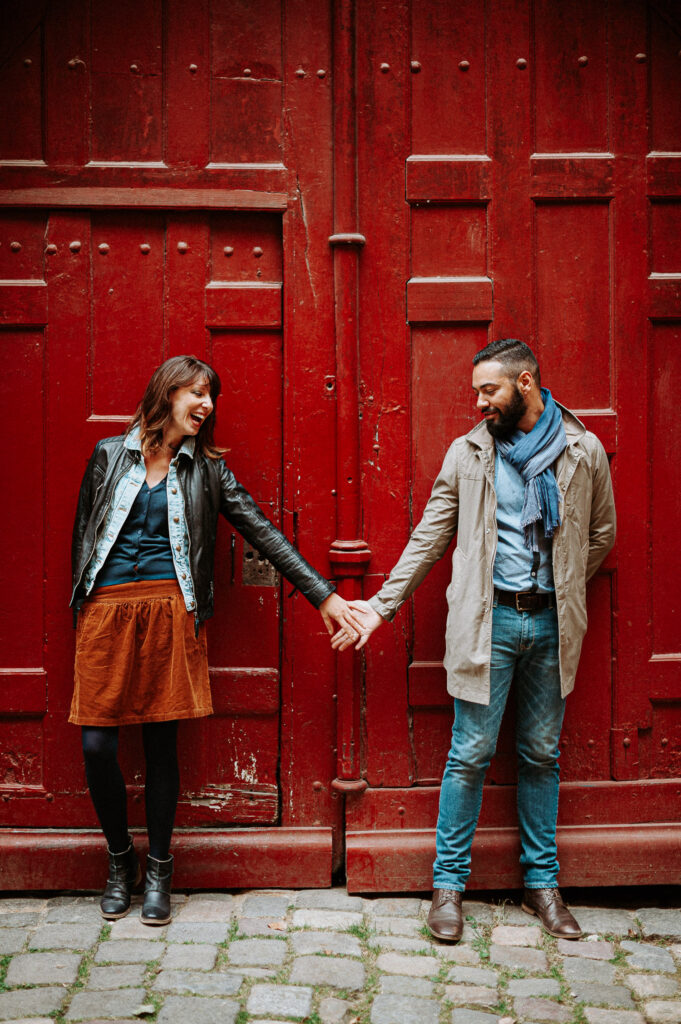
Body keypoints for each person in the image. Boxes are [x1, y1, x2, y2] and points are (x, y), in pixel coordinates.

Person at [332, 339, 616, 941]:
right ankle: (448, 888)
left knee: (541, 755)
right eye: (476, 392)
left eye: (490, 390)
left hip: (550, 624)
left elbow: (600, 535)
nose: (479, 401)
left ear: (526, 382)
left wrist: (562, 585)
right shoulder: (468, 455)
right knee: (470, 755)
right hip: (487, 626)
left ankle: (542, 885)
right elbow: (430, 536)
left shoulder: (582, 450)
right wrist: (380, 607)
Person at [70, 355, 364, 925]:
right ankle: (118, 859)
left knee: (160, 748)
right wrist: (82, 609)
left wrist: (324, 595)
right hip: (106, 610)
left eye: (212, 396)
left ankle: (158, 870)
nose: (207, 405)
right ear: (166, 392)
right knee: (97, 746)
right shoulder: (109, 455)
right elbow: (83, 534)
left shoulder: (206, 471)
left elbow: (262, 529)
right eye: (198, 393)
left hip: (171, 611)